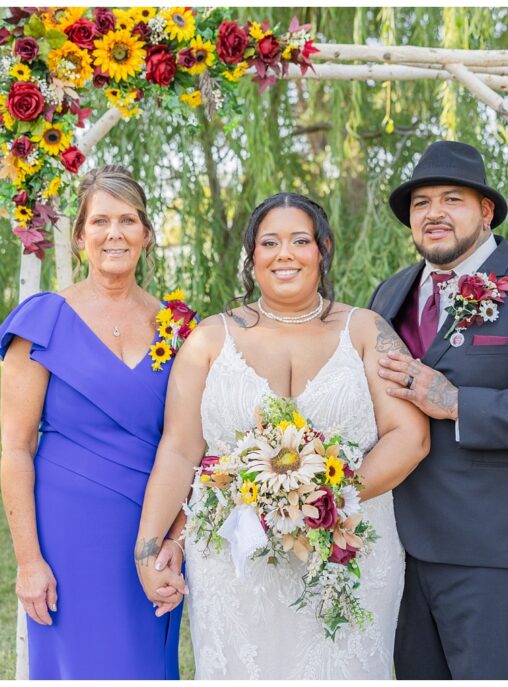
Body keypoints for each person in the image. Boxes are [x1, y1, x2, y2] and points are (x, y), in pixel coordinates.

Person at [135, 192, 430, 679]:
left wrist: (326, 499)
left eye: (300, 240)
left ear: (323, 249)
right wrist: (151, 545)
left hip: (349, 555)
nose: (284, 254)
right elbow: (180, 448)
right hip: (234, 561)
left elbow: (410, 436)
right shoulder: (209, 339)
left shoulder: (365, 331)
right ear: (252, 256)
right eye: (269, 242)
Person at [367, 140, 508, 679]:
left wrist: (455, 402)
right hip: (400, 548)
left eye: (453, 199)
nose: (434, 214)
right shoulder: (391, 293)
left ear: (486, 211)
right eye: (421, 203)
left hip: (494, 554)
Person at [0, 165, 187, 679]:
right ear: (80, 236)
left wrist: (176, 541)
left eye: (127, 220)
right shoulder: (42, 320)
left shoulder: (177, 326)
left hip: (149, 533)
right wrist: (29, 562)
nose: (114, 234)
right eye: (100, 222)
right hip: (67, 536)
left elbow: (193, 446)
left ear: (146, 233)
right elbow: (14, 448)